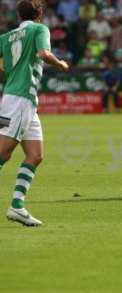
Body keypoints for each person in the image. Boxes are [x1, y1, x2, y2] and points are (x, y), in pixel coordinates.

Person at [0, 0, 69, 226]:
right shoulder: (40, 29)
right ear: (40, 14)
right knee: (3, 152)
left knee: (35, 155)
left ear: (19, 15)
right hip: (19, 100)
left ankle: (17, 206)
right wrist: (61, 65)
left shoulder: (6, 37)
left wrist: (9, 75)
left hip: (23, 100)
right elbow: (43, 53)